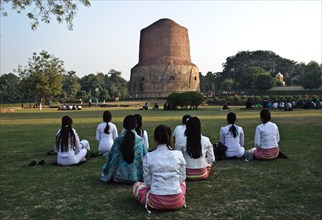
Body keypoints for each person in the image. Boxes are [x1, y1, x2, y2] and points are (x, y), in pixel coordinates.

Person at [133, 125, 186, 212]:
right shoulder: (178, 154)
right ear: (169, 138)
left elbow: (147, 181)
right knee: (183, 183)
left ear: (155, 139)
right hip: (177, 201)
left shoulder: (149, 156)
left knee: (137, 186)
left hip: (155, 201)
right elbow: (182, 178)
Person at [100, 115, 147, 184]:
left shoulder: (118, 140)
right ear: (136, 125)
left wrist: (106, 170)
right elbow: (145, 159)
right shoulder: (140, 141)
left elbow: (111, 158)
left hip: (118, 177)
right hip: (136, 178)